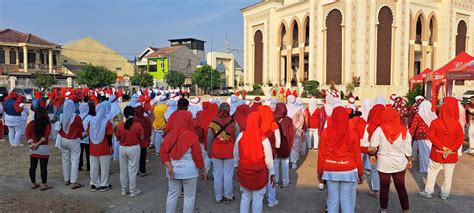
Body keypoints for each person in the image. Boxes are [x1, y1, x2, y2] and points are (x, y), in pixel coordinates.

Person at [318, 107, 363, 213]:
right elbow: (357, 156)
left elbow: (321, 155)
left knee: (332, 200)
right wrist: (360, 174)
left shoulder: (326, 132)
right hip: (348, 169)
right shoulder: (352, 133)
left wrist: (320, 173)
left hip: (330, 168)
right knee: (346, 201)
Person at [160, 110, 206, 213]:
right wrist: (203, 169)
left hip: (173, 169)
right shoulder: (192, 136)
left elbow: (163, 151)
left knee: (172, 195)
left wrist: (169, 165)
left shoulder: (170, 135)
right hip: (189, 171)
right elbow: (197, 156)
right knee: (189, 197)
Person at [369, 108, 412, 213]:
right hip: (399, 163)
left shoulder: (380, 129)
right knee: (401, 187)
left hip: (384, 163)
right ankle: (405, 210)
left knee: (384, 187)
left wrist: (373, 154)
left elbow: (372, 147)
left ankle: (383, 210)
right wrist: (409, 159)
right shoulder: (404, 130)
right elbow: (408, 149)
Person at [419, 104, 464, 200]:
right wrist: (451, 149)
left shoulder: (435, 123)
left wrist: (442, 147)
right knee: (448, 175)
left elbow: (431, 136)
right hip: (451, 155)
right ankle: (444, 194)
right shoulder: (456, 124)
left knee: (432, 172)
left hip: (437, 153)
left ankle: (428, 191)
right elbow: (460, 139)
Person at [234, 112, 275, 213]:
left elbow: (236, 153)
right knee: (258, 200)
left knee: (245, 197)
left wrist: (236, 166)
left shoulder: (241, 136)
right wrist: (272, 173)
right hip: (259, 174)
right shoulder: (264, 139)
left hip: (244, 171)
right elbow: (268, 159)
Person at [208, 103, 236, 204]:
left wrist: (209, 150)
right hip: (229, 151)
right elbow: (237, 139)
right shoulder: (233, 122)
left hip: (216, 151)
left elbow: (210, 138)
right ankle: (228, 196)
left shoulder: (213, 122)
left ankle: (218, 197)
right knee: (228, 174)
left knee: (217, 174)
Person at [115, 106, 144, 198]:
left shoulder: (120, 126)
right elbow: (142, 137)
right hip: (134, 148)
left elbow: (117, 138)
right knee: (133, 170)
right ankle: (133, 190)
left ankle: (124, 190)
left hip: (122, 148)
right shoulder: (137, 125)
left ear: (124, 114)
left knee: (123, 170)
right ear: (133, 114)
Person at [88, 102, 114, 192]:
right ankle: (104, 184)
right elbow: (109, 135)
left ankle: (94, 184)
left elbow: (88, 133)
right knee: (104, 167)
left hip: (92, 147)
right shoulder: (107, 122)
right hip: (104, 147)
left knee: (94, 167)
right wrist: (111, 146)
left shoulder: (91, 121)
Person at [59, 99, 85, 189]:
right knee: (75, 160)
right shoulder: (76, 117)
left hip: (63, 139)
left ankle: (66, 179)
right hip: (73, 140)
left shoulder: (62, 116)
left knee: (65, 159)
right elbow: (81, 129)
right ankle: (74, 181)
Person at [258, 105, 281, 207]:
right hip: (271, 153)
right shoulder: (273, 123)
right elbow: (278, 141)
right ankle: (271, 199)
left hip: (258, 153)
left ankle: (260, 197)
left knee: (260, 176)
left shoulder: (257, 123)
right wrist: (275, 147)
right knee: (271, 176)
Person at [26, 107, 53, 191]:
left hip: (33, 147)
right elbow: (45, 136)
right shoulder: (47, 124)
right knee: (43, 167)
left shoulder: (31, 123)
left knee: (33, 166)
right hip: (43, 148)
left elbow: (27, 134)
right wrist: (38, 144)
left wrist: (32, 144)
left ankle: (33, 183)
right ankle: (44, 184)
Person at [409, 101, 437, 173]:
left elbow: (413, 126)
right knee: (430, 152)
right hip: (432, 136)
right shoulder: (432, 114)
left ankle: (424, 168)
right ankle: (432, 167)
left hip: (421, 136)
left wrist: (410, 136)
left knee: (423, 153)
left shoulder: (419, 114)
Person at [273, 103, 294, 188]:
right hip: (285, 145)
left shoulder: (273, 119)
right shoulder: (288, 120)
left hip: (275, 145)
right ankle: (285, 182)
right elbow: (291, 134)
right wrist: (290, 145)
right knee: (285, 164)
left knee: (275, 164)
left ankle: (276, 180)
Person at [134, 106, 152, 176]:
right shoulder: (146, 120)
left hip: (135, 141)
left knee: (135, 157)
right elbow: (149, 131)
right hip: (144, 141)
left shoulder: (133, 120)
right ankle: (142, 170)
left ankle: (135, 171)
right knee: (142, 156)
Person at [78, 103, 91, 171]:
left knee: (79, 153)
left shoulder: (77, 116)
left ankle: (79, 165)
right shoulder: (90, 117)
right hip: (87, 137)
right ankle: (89, 166)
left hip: (79, 137)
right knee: (88, 153)